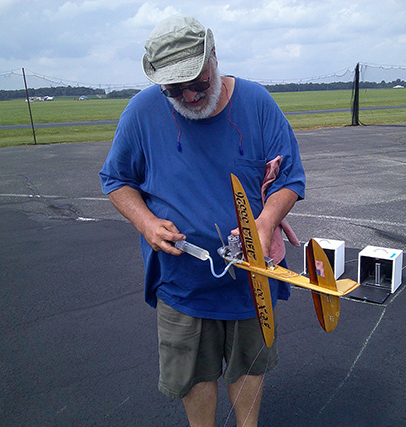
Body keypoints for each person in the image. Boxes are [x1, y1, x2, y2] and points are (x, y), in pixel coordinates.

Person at [99, 15, 305, 427]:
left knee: (249, 366)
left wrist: (265, 222)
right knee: (194, 375)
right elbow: (116, 180)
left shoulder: (257, 102)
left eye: (198, 82)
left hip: (251, 278)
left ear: (214, 57)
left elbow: (290, 178)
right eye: (174, 88)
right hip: (182, 283)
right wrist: (146, 223)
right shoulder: (142, 112)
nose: (190, 96)